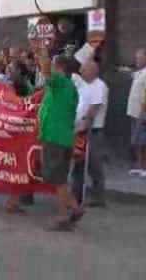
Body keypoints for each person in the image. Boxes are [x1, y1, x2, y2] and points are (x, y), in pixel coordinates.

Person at [38, 55, 83, 231]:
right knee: (60, 177)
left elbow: (46, 73)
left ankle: (65, 214)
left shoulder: (61, 83)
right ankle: (73, 208)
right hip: (63, 137)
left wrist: (41, 50)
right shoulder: (70, 87)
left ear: (60, 67)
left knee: (57, 178)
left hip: (55, 137)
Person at [71, 60, 109, 207]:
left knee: (94, 163)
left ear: (93, 70)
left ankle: (98, 196)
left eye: (84, 70)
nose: (81, 72)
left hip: (92, 130)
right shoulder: (85, 85)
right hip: (80, 129)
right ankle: (76, 194)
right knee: (79, 162)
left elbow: (94, 107)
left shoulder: (100, 86)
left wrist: (84, 123)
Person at [3, 61, 36, 213]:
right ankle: (14, 200)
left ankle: (18, 198)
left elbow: (27, 106)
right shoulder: (12, 87)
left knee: (21, 166)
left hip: (21, 131)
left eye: (13, 69)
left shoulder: (26, 87)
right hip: (16, 131)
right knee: (19, 166)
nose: (10, 71)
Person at [124, 49, 146, 177]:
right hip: (134, 113)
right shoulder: (140, 73)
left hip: (144, 115)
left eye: (139, 58)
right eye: (136, 58)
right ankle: (138, 166)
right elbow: (131, 73)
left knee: (145, 142)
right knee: (137, 141)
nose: (136, 60)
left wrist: (144, 114)